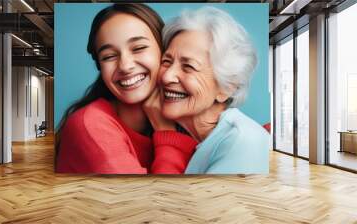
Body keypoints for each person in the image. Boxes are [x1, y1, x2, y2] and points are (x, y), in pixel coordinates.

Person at [55, 3, 197, 174]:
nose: (125, 66)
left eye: (138, 48)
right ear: (99, 65)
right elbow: (154, 199)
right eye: (109, 56)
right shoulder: (90, 125)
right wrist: (167, 135)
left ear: (165, 52)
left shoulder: (187, 115)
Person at [158, 6, 270, 174]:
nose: (167, 76)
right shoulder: (191, 137)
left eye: (188, 66)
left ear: (227, 87)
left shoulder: (242, 141)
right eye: (166, 61)